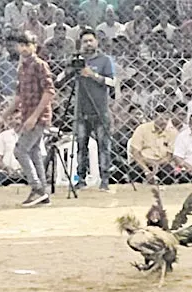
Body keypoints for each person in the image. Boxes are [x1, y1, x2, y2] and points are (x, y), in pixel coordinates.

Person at [2, 31, 55, 207]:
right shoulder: (22, 67)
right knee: (33, 151)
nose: (24, 48)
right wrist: (4, 116)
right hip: (28, 114)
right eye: (21, 45)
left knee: (20, 150)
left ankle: (37, 187)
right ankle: (43, 191)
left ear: (34, 45)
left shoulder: (40, 65)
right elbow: (18, 97)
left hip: (38, 116)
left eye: (27, 44)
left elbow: (49, 92)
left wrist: (34, 116)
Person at [72, 28, 115, 191]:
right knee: (80, 145)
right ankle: (80, 178)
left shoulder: (105, 60)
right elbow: (63, 79)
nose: (88, 44)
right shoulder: (77, 60)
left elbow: (112, 82)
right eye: (85, 42)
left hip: (100, 109)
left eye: (91, 41)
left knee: (104, 145)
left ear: (97, 42)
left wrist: (93, 75)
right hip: (81, 110)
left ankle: (105, 179)